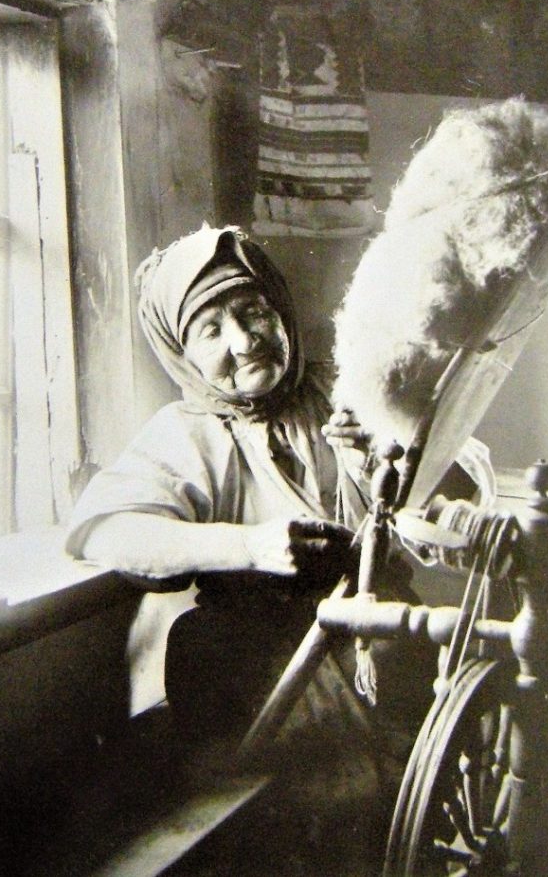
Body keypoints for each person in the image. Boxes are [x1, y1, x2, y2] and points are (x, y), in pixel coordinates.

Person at [66, 223, 372, 745]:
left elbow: (454, 485)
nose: (245, 341)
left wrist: (376, 462)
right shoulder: (187, 433)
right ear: (182, 354)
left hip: (374, 638)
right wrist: (248, 547)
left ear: (280, 310)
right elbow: (100, 530)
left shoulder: (350, 389)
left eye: (254, 311)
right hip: (259, 663)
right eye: (211, 331)